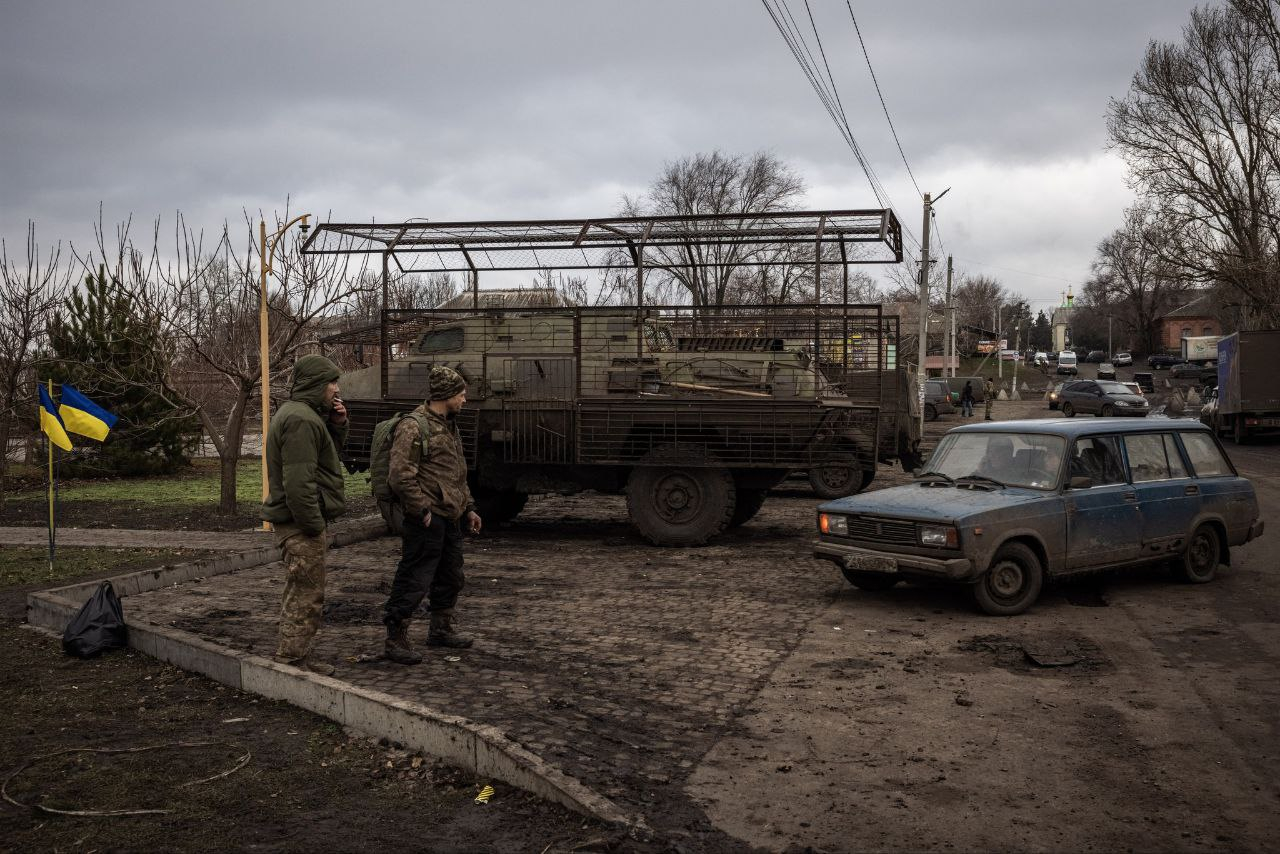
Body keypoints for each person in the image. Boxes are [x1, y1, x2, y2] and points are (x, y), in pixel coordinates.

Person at [382, 365, 483, 665]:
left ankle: (441, 629)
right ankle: (395, 637)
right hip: (426, 518)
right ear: (446, 395)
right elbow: (400, 475)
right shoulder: (414, 426)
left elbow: (457, 474)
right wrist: (420, 508)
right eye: (462, 395)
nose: (465, 400)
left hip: (450, 516)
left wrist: (469, 508)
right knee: (415, 578)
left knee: (451, 575)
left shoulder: (449, 425)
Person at [262, 354, 348, 676]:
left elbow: (325, 460)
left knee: (301, 590)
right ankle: (292, 665)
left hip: (298, 522)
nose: (336, 389)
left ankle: (294, 658)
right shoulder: (301, 420)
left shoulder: (304, 416)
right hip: (300, 524)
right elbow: (299, 483)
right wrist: (313, 525)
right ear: (316, 384)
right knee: (306, 594)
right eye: (332, 382)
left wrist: (337, 425)